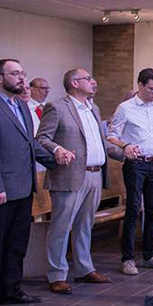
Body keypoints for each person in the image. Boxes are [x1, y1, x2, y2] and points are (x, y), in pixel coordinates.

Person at [36, 68, 125, 295]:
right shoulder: (57, 107)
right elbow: (41, 138)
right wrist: (57, 149)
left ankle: (85, 268)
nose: (93, 82)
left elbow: (100, 142)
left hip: (95, 174)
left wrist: (124, 152)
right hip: (69, 174)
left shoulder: (93, 108)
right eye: (88, 79)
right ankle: (56, 275)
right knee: (61, 226)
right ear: (75, 83)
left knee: (85, 225)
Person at [107, 68, 153, 276]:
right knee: (133, 210)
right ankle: (128, 259)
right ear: (140, 86)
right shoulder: (126, 108)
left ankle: (149, 255)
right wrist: (125, 146)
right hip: (135, 163)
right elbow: (111, 135)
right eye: (151, 89)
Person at [0, 59, 58, 304]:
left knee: (17, 243)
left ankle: (11, 291)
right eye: (14, 74)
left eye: (23, 73)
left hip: (25, 186)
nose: (21, 78)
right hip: (4, 188)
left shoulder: (21, 107)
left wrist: (56, 156)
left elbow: (30, 143)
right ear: (0, 78)